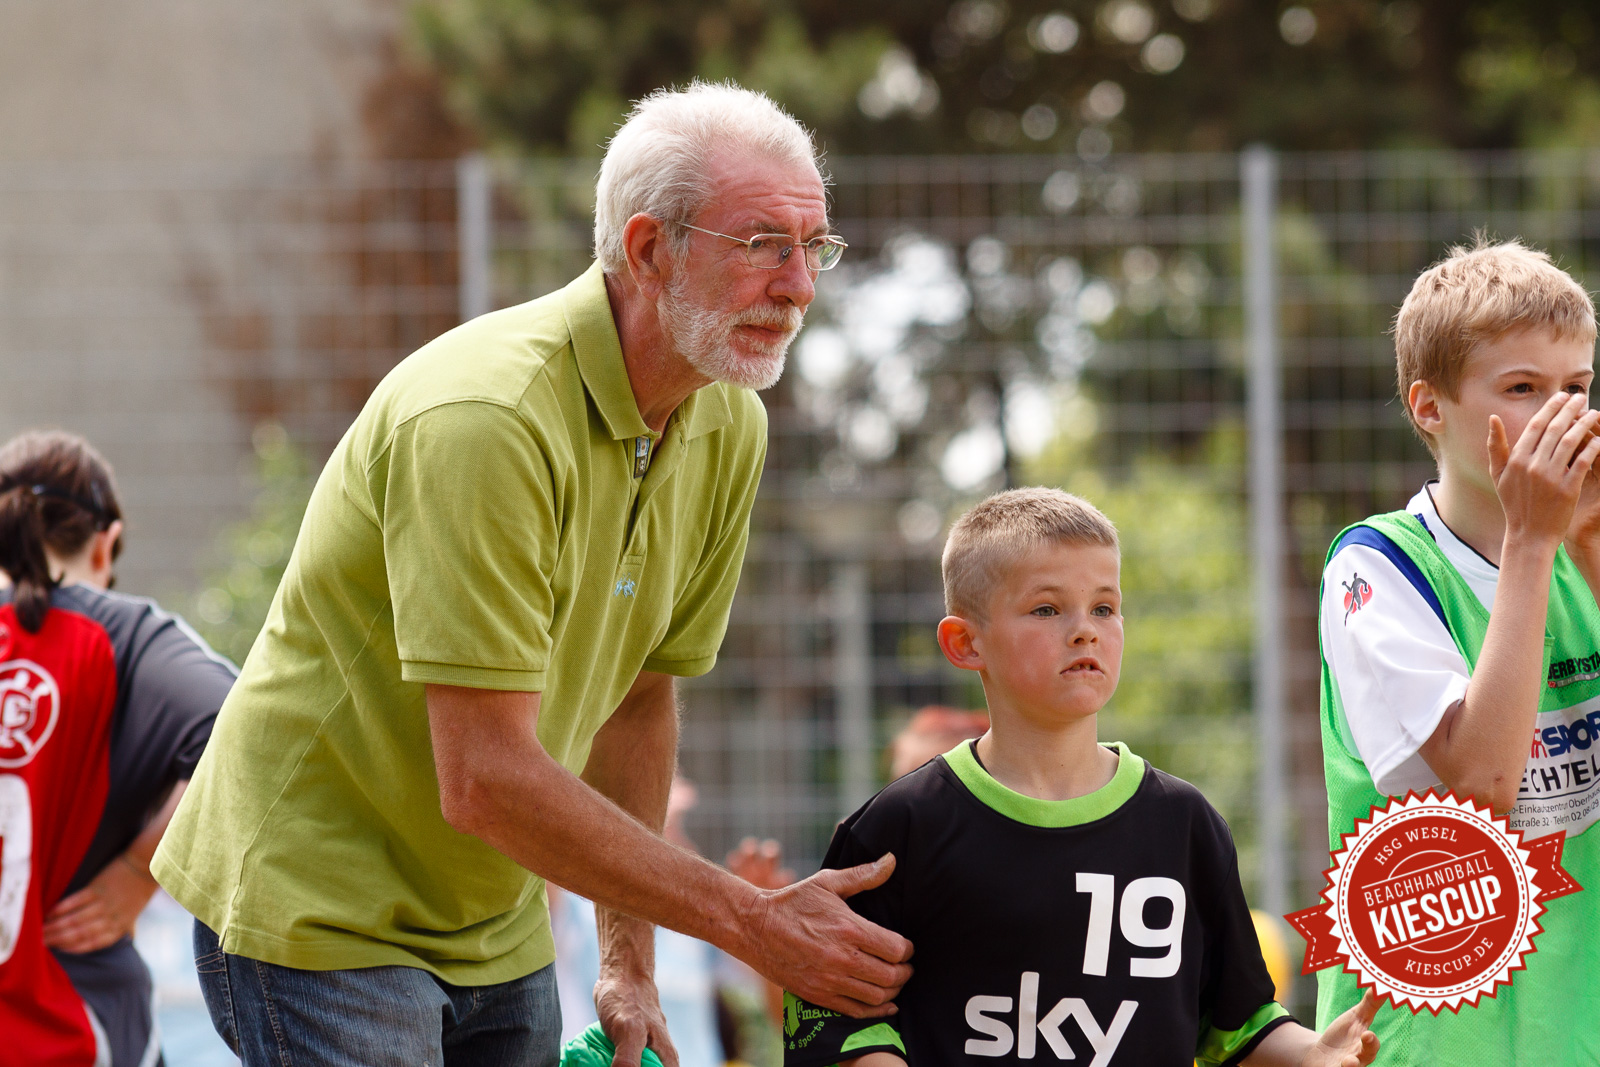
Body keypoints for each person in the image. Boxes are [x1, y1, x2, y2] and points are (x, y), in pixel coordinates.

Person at [151, 81, 911, 1067]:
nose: (801, 284)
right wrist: (748, 918)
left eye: (815, 247)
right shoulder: (486, 418)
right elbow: (485, 778)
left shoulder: (727, 419)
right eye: (764, 242)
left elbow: (638, 699)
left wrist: (629, 963)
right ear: (648, 250)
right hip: (321, 906)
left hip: (497, 916)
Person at [782, 488, 1380, 1067]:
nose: (1085, 630)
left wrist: (1310, 1054)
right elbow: (835, 1020)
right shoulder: (898, 827)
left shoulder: (1184, 824)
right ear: (965, 643)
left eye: (1104, 607)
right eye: (1046, 608)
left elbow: (1237, 1024)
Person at [1317, 238, 1600, 1061]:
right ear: (1429, 407)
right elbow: (1480, 786)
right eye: (1522, 388)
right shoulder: (1377, 566)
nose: (1561, 415)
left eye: (1577, 387)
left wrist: (1583, 540)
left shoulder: (1577, 545)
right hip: (1440, 1040)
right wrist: (1536, 541)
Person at [0, 430, 232, 1067]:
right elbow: (249, 737)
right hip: (77, 1025)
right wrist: (139, 869)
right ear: (104, 544)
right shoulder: (126, 636)